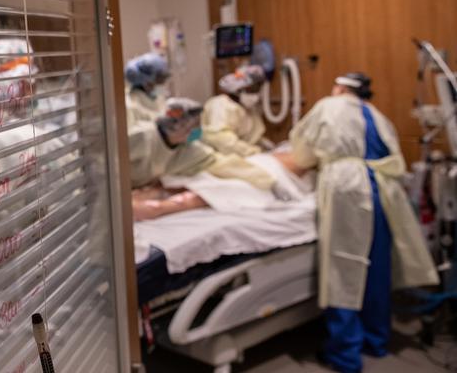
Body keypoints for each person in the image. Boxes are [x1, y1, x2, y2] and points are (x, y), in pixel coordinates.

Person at [289, 72, 438, 373]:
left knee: (344, 268)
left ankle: (344, 353)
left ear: (341, 87)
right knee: (375, 269)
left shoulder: (329, 106)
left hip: (347, 189)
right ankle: (376, 340)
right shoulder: (377, 115)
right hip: (382, 191)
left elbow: (302, 152)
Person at [131, 97, 277, 219]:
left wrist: (265, 178)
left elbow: (220, 163)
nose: (198, 130)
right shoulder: (140, 137)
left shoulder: (189, 150)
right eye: (194, 126)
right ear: (178, 125)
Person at [202, 64, 268, 156]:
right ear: (238, 89)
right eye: (251, 89)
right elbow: (222, 140)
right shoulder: (221, 105)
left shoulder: (248, 109)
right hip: (218, 158)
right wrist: (254, 152)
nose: (255, 94)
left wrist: (268, 148)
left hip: (240, 156)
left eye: (257, 89)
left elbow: (253, 137)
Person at [124, 52, 171, 127]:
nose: (163, 84)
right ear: (146, 82)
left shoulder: (158, 96)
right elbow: (134, 136)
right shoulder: (130, 105)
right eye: (160, 79)